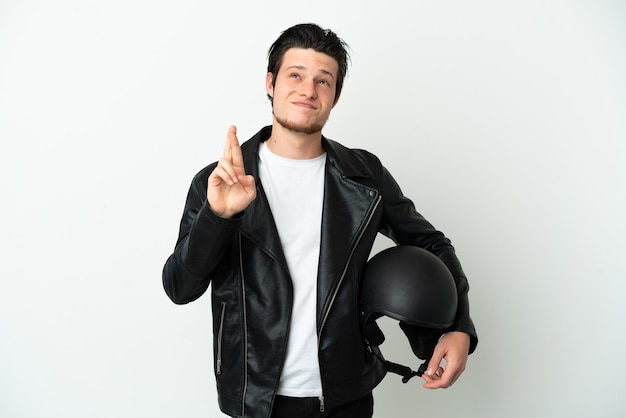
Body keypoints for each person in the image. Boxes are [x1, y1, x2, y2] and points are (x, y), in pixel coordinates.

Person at [162, 23, 477, 418]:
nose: (308, 90)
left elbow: (432, 243)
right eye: (295, 75)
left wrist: (459, 325)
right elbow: (180, 286)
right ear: (271, 83)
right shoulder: (218, 181)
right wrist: (219, 215)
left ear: (335, 96)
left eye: (323, 81)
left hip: (346, 396)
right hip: (255, 399)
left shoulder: (364, 176)